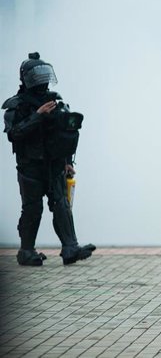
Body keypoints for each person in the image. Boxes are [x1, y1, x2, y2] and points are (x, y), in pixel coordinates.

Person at [2, 53, 96, 266]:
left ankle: (70, 248)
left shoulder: (55, 100)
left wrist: (67, 161)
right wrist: (37, 115)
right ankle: (26, 251)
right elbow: (14, 134)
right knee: (33, 208)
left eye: (44, 74)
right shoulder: (17, 106)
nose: (42, 80)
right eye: (37, 75)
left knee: (62, 204)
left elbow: (63, 135)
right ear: (26, 77)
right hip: (30, 166)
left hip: (54, 164)